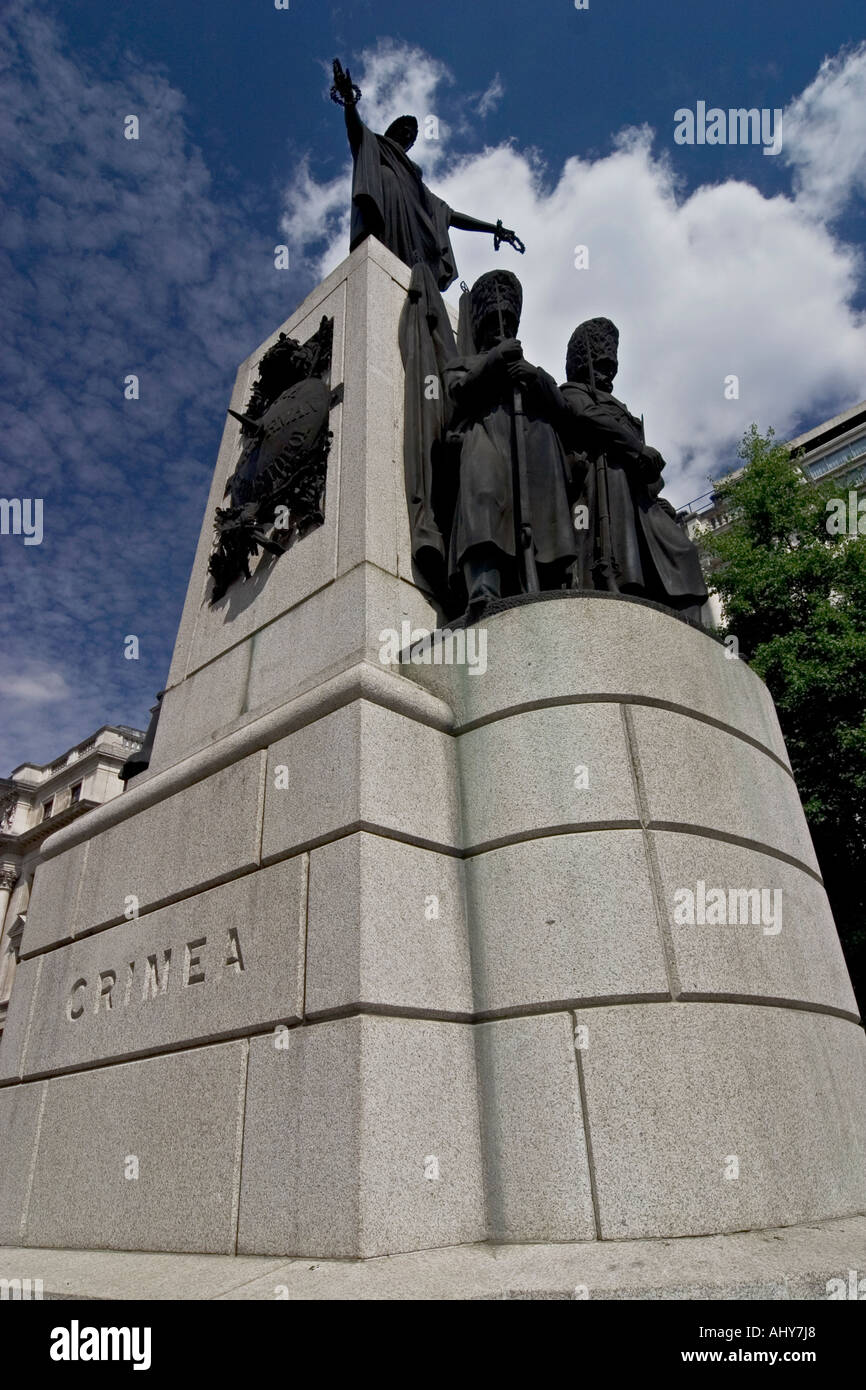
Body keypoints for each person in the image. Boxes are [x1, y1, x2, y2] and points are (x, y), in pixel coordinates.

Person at [444, 271, 578, 620]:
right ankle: (484, 588)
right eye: (491, 324)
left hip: (536, 448)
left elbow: (566, 414)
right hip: (486, 436)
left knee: (541, 514)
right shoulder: (463, 363)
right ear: (479, 327)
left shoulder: (532, 372)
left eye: (506, 324)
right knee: (485, 498)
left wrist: (532, 376)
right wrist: (495, 360)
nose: (500, 330)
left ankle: (549, 585)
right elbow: (457, 395)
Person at [560, 318, 708, 622]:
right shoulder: (573, 392)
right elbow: (587, 417)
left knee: (683, 551)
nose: (608, 374)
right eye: (601, 366)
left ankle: (692, 629)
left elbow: (650, 470)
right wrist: (637, 448)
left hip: (640, 496)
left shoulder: (622, 408)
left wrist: (651, 472)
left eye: (611, 368)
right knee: (626, 554)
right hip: (603, 485)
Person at [332, 59, 524, 292]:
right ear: (391, 130)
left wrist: (494, 228)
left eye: (412, 135)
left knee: (408, 278)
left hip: (412, 238)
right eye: (404, 129)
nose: (408, 135)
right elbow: (355, 129)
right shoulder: (377, 145)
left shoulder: (416, 183)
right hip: (383, 219)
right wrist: (349, 101)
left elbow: (450, 215)